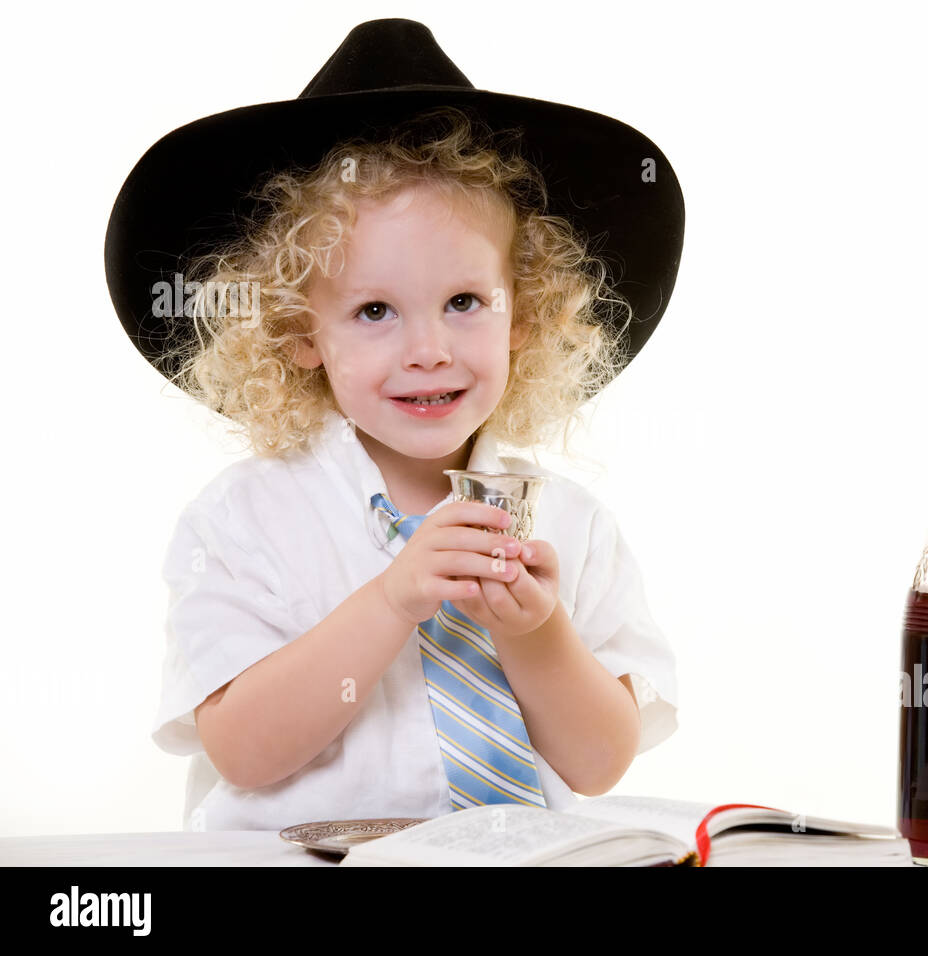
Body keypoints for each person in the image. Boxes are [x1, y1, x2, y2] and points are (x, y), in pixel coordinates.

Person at [104, 19, 686, 831]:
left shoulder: (572, 528)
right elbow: (241, 748)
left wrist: (536, 631)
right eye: (375, 310)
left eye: (463, 302)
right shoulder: (245, 520)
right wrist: (391, 600)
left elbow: (596, 765)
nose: (428, 350)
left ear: (525, 311)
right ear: (300, 332)